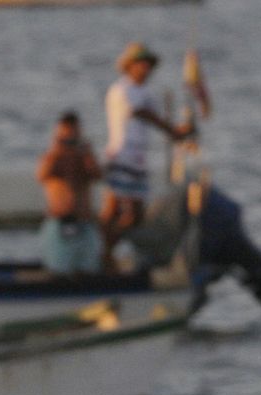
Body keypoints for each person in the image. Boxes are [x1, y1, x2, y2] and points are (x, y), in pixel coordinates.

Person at [101, 42, 195, 272]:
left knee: (129, 214)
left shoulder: (143, 92)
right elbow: (144, 114)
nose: (144, 70)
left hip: (137, 159)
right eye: (140, 65)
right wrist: (171, 130)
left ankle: (105, 253)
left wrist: (180, 130)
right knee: (121, 212)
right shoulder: (121, 89)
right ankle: (103, 254)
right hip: (123, 156)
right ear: (129, 66)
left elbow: (161, 120)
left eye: (147, 65)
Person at [36, 111, 103, 275]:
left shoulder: (84, 158)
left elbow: (98, 175)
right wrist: (58, 150)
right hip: (59, 223)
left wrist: (86, 153)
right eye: (66, 138)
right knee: (59, 272)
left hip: (84, 222)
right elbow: (42, 175)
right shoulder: (52, 157)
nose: (69, 143)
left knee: (90, 270)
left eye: (73, 138)